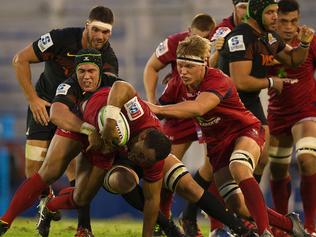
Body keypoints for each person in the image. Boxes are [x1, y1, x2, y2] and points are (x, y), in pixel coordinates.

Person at [37, 79, 257, 237]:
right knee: (119, 182)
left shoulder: (151, 152)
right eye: (140, 156)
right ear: (141, 137)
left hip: (138, 151)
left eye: (144, 161)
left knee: (188, 185)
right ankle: (168, 226)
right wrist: (112, 117)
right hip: (109, 154)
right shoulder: (135, 114)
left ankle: (240, 228)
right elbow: (122, 86)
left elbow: (153, 201)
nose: (140, 160)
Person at [147, 34, 310, 237]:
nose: (182, 71)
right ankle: (289, 223)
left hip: (244, 131)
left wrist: (155, 108)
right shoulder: (176, 83)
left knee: (239, 167)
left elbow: (198, 107)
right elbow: (160, 109)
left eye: (189, 66)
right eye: (180, 65)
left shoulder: (218, 79)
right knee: (237, 205)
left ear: (204, 64)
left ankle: (264, 232)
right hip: (217, 145)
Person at [11, 5, 118, 236]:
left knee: (76, 169)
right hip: (44, 106)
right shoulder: (60, 38)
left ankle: (83, 227)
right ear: (87, 25)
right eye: (96, 29)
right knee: (33, 170)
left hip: (74, 115)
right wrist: (33, 99)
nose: (100, 36)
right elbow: (20, 59)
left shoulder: (108, 59)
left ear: (111, 32)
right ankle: (47, 205)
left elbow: (105, 96)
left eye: (106, 32)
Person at [217, 0, 314, 212]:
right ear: (258, 13)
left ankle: (245, 212)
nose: (275, 18)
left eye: (276, 12)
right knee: (222, 169)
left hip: (251, 101)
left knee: (262, 160)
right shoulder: (241, 37)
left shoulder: (268, 37)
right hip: (229, 105)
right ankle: (225, 216)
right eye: (270, 12)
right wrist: (272, 82)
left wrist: (304, 44)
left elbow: (292, 59)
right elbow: (240, 81)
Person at [143, 13, 215, 236]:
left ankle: (193, 218)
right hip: (179, 109)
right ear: (188, 32)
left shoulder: (220, 45)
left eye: (203, 41)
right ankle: (161, 222)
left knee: (214, 166)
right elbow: (151, 67)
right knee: (165, 168)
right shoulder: (175, 43)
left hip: (207, 110)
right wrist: (153, 103)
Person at [267, 0, 316, 235]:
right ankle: (282, 227)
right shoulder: (264, 42)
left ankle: (310, 226)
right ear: (274, 20)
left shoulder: (310, 40)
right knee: (277, 170)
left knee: (307, 159)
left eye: (294, 21)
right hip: (276, 115)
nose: (289, 27)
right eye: (283, 21)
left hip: (306, 112)